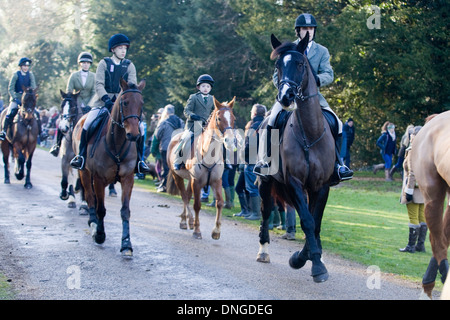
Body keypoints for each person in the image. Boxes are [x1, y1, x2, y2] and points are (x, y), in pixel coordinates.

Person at [253, 13, 353, 183]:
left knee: (338, 124)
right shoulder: (289, 49)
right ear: (298, 31)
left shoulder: (322, 51)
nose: (308, 31)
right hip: (288, 96)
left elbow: (328, 73)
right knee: (271, 121)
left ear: (314, 31)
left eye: (311, 28)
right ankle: (264, 160)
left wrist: (317, 81)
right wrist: (285, 88)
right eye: (305, 28)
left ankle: (339, 164)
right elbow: (277, 76)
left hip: (314, 98)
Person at [70, 34, 151, 174]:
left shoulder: (129, 65)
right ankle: (81, 156)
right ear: (113, 49)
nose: (123, 51)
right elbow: (99, 84)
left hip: (123, 104)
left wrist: (121, 100)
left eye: (125, 48)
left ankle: (140, 160)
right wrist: (106, 99)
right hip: (102, 101)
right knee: (88, 122)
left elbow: (131, 86)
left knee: (141, 128)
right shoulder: (104, 63)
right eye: (120, 48)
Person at [50, 52, 95, 157]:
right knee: (64, 121)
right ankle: (57, 145)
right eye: (83, 62)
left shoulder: (94, 76)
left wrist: (89, 104)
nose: (85, 64)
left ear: (90, 64)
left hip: (89, 104)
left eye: (88, 63)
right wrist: (74, 101)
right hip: (75, 103)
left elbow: (95, 92)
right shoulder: (74, 76)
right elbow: (69, 90)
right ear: (80, 63)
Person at [173, 74, 218, 171]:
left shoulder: (212, 99)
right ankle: (178, 160)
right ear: (198, 87)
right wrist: (192, 115)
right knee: (185, 139)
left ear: (210, 88)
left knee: (218, 140)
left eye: (207, 86)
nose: (205, 88)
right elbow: (186, 110)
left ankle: (223, 161)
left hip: (206, 127)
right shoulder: (193, 97)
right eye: (203, 86)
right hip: (193, 125)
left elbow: (215, 112)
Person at [0, 57, 48, 141]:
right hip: (17, 98)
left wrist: (31, 95)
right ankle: (3, 132)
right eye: (24, 66)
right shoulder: (16, 74)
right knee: (9, 113)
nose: (26, 67)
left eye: (27, 66)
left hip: (27, 100)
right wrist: (15, 98)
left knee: (36, 114)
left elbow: (33, 87)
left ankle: (41, 133)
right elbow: (10, 89)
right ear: (21, 66)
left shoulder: (30, 75)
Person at [399, 126, 427, 253]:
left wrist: (408, 191)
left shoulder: (412, 150)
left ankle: (411, 246)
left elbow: (412, 173)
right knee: (422, 218)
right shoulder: (426, 150)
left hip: (413, 189)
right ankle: (420, 245)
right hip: (424, 190)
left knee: (413, 218)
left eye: (412, 136)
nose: (410, 138)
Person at [244, 104, 266, 220]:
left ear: (254, 113)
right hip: (265, 160)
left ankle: (256, 213)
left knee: (253, 188)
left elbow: (249, 145)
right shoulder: (268, 124)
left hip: (252, 160)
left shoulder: (254, 126)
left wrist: (244, 156)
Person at [154, 104, 184, 192]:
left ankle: (164, 186)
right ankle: (173, 186)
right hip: (177, 148)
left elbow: (157, 134)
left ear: (166, 112)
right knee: (175, 167)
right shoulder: (180, 121)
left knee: (165, 167)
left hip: (165, 147)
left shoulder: (164, 122)